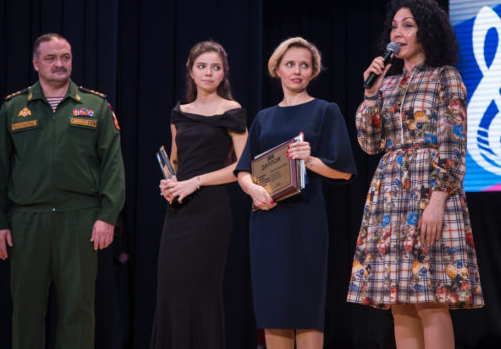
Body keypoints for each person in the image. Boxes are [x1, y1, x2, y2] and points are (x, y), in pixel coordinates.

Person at [347, 0, 484, 349]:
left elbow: (453, 141)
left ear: (427, 32)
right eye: (394, 26)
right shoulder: (387, 84)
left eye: (408, 25)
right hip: (390, 194)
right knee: (400, 302)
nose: (398, 33)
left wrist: (438, 200)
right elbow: (370, 143)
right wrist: (371, 94)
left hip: (429, 189)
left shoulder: (445, 76)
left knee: (430, 298)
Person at [0, 33, 125, 349]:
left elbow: (113, 168)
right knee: (26, 309)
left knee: (78, 309)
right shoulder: (13, 107)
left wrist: (108, 217)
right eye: (51, 58)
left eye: (65, 57)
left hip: (80, 219)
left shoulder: (96, 106)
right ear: (36, 63)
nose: (59, 64)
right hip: (26, 221)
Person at [236, 37, 357, 349]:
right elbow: (244, 169)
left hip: (306, 219)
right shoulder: (264, 117)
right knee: (273, 306)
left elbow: (344, 171)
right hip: (267, 220)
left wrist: (310, 160)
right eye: (290, 64)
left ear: (313, 72)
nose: (297, 71)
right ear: (277, 69)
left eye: (305, 65)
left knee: (306, 308)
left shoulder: (325, 111)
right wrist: (252, 190)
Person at [150, 41, 247, 349]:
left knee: (201, 291)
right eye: (202, 66)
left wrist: (196, 182)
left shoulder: (231, 110)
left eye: (216, 67)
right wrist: (169, 183)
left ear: (223, 73)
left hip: (211, 211)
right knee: (171, 288)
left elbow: (242, 167)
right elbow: (175, 162)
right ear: (190, 71)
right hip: (178, 211)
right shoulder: (179, 113)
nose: (208, 72)